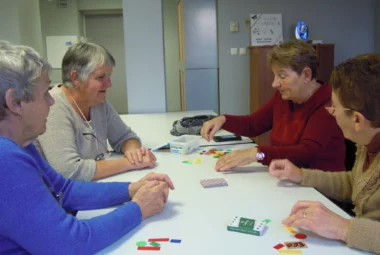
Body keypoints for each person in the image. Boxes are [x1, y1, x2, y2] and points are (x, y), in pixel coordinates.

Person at [0, 40, 174, 254]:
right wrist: (139, 208)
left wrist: (131, 189)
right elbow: (69, 243)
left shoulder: (21, 143)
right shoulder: (5, 159)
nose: (51, 101)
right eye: (45, 93)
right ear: (15, 102)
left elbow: (64, 190)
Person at [269, 53, 380, 254]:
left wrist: (343, 228)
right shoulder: (368, 141)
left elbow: (308, 150)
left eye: (335, 107)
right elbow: (355, 183)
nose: (330, 111)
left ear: (357, 120)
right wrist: (302, 176)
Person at [201, 40, 345, 172]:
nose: (274, 84)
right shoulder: (285, 97)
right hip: (285, 177)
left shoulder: (329, 102)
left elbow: (307, 153)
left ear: (306, 75)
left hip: (318, 189)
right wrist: (223, 119)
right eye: (274, 75)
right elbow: (254, 124)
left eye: (282, 76)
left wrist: (257, 154)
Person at [36, 41, 156, 181]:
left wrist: (134, 152)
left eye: (109, 76)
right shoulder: (54, 106)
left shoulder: (98, 102)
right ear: (76, 78)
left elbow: (125, 137)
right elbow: (69, 171)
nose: (109, 84)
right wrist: (129, 163)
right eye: (100, 77)